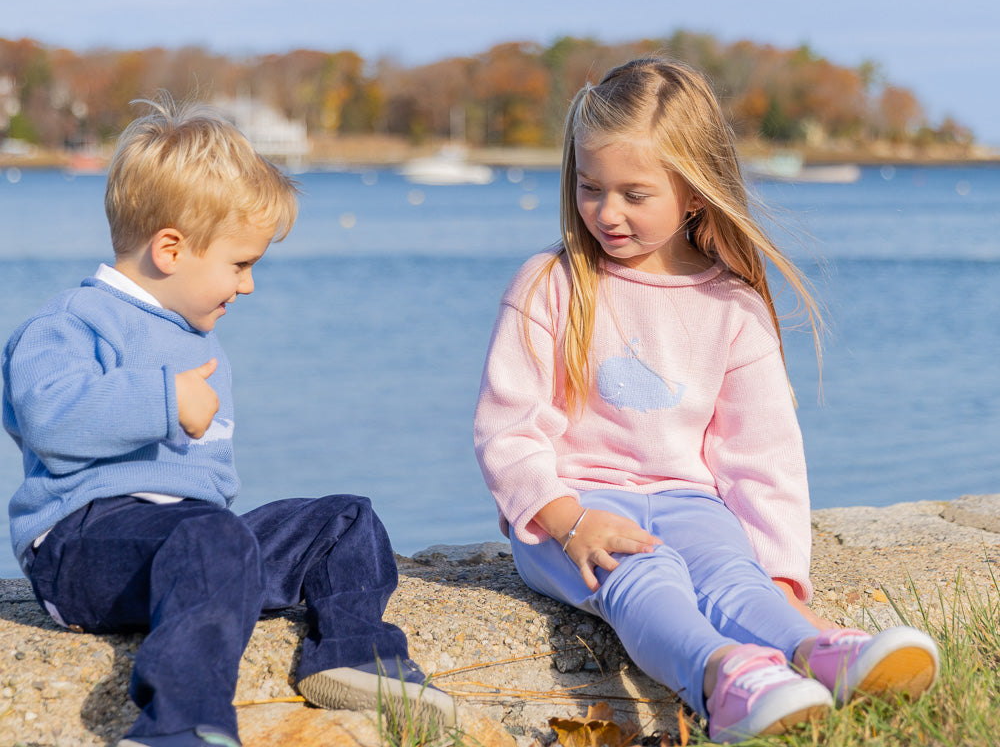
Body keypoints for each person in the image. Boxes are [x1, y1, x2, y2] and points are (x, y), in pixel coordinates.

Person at [473, 57, 938, 744]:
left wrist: (781, 576)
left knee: (732, 575)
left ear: (693, 192)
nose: (606, 212)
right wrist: (570, 521)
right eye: (590, 188)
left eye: (634, 193)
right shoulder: (551, 283)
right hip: (566, 513)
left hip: (689, 503)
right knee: (646, 576)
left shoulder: (731, 306)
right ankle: (724, 679)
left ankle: (819, 654)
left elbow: (763, 459)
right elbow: (506, 431)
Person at [2, 96, 454, 747]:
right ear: (170, 249)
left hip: (197, 547)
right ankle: (181, 726)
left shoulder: (194, 335)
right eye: (239, 265)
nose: (247, 287)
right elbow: (49, 416)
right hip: (85, 550)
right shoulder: (70, 323)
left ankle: (354, 655)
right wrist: (162, 400)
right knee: (213, 538)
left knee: (345, 519)